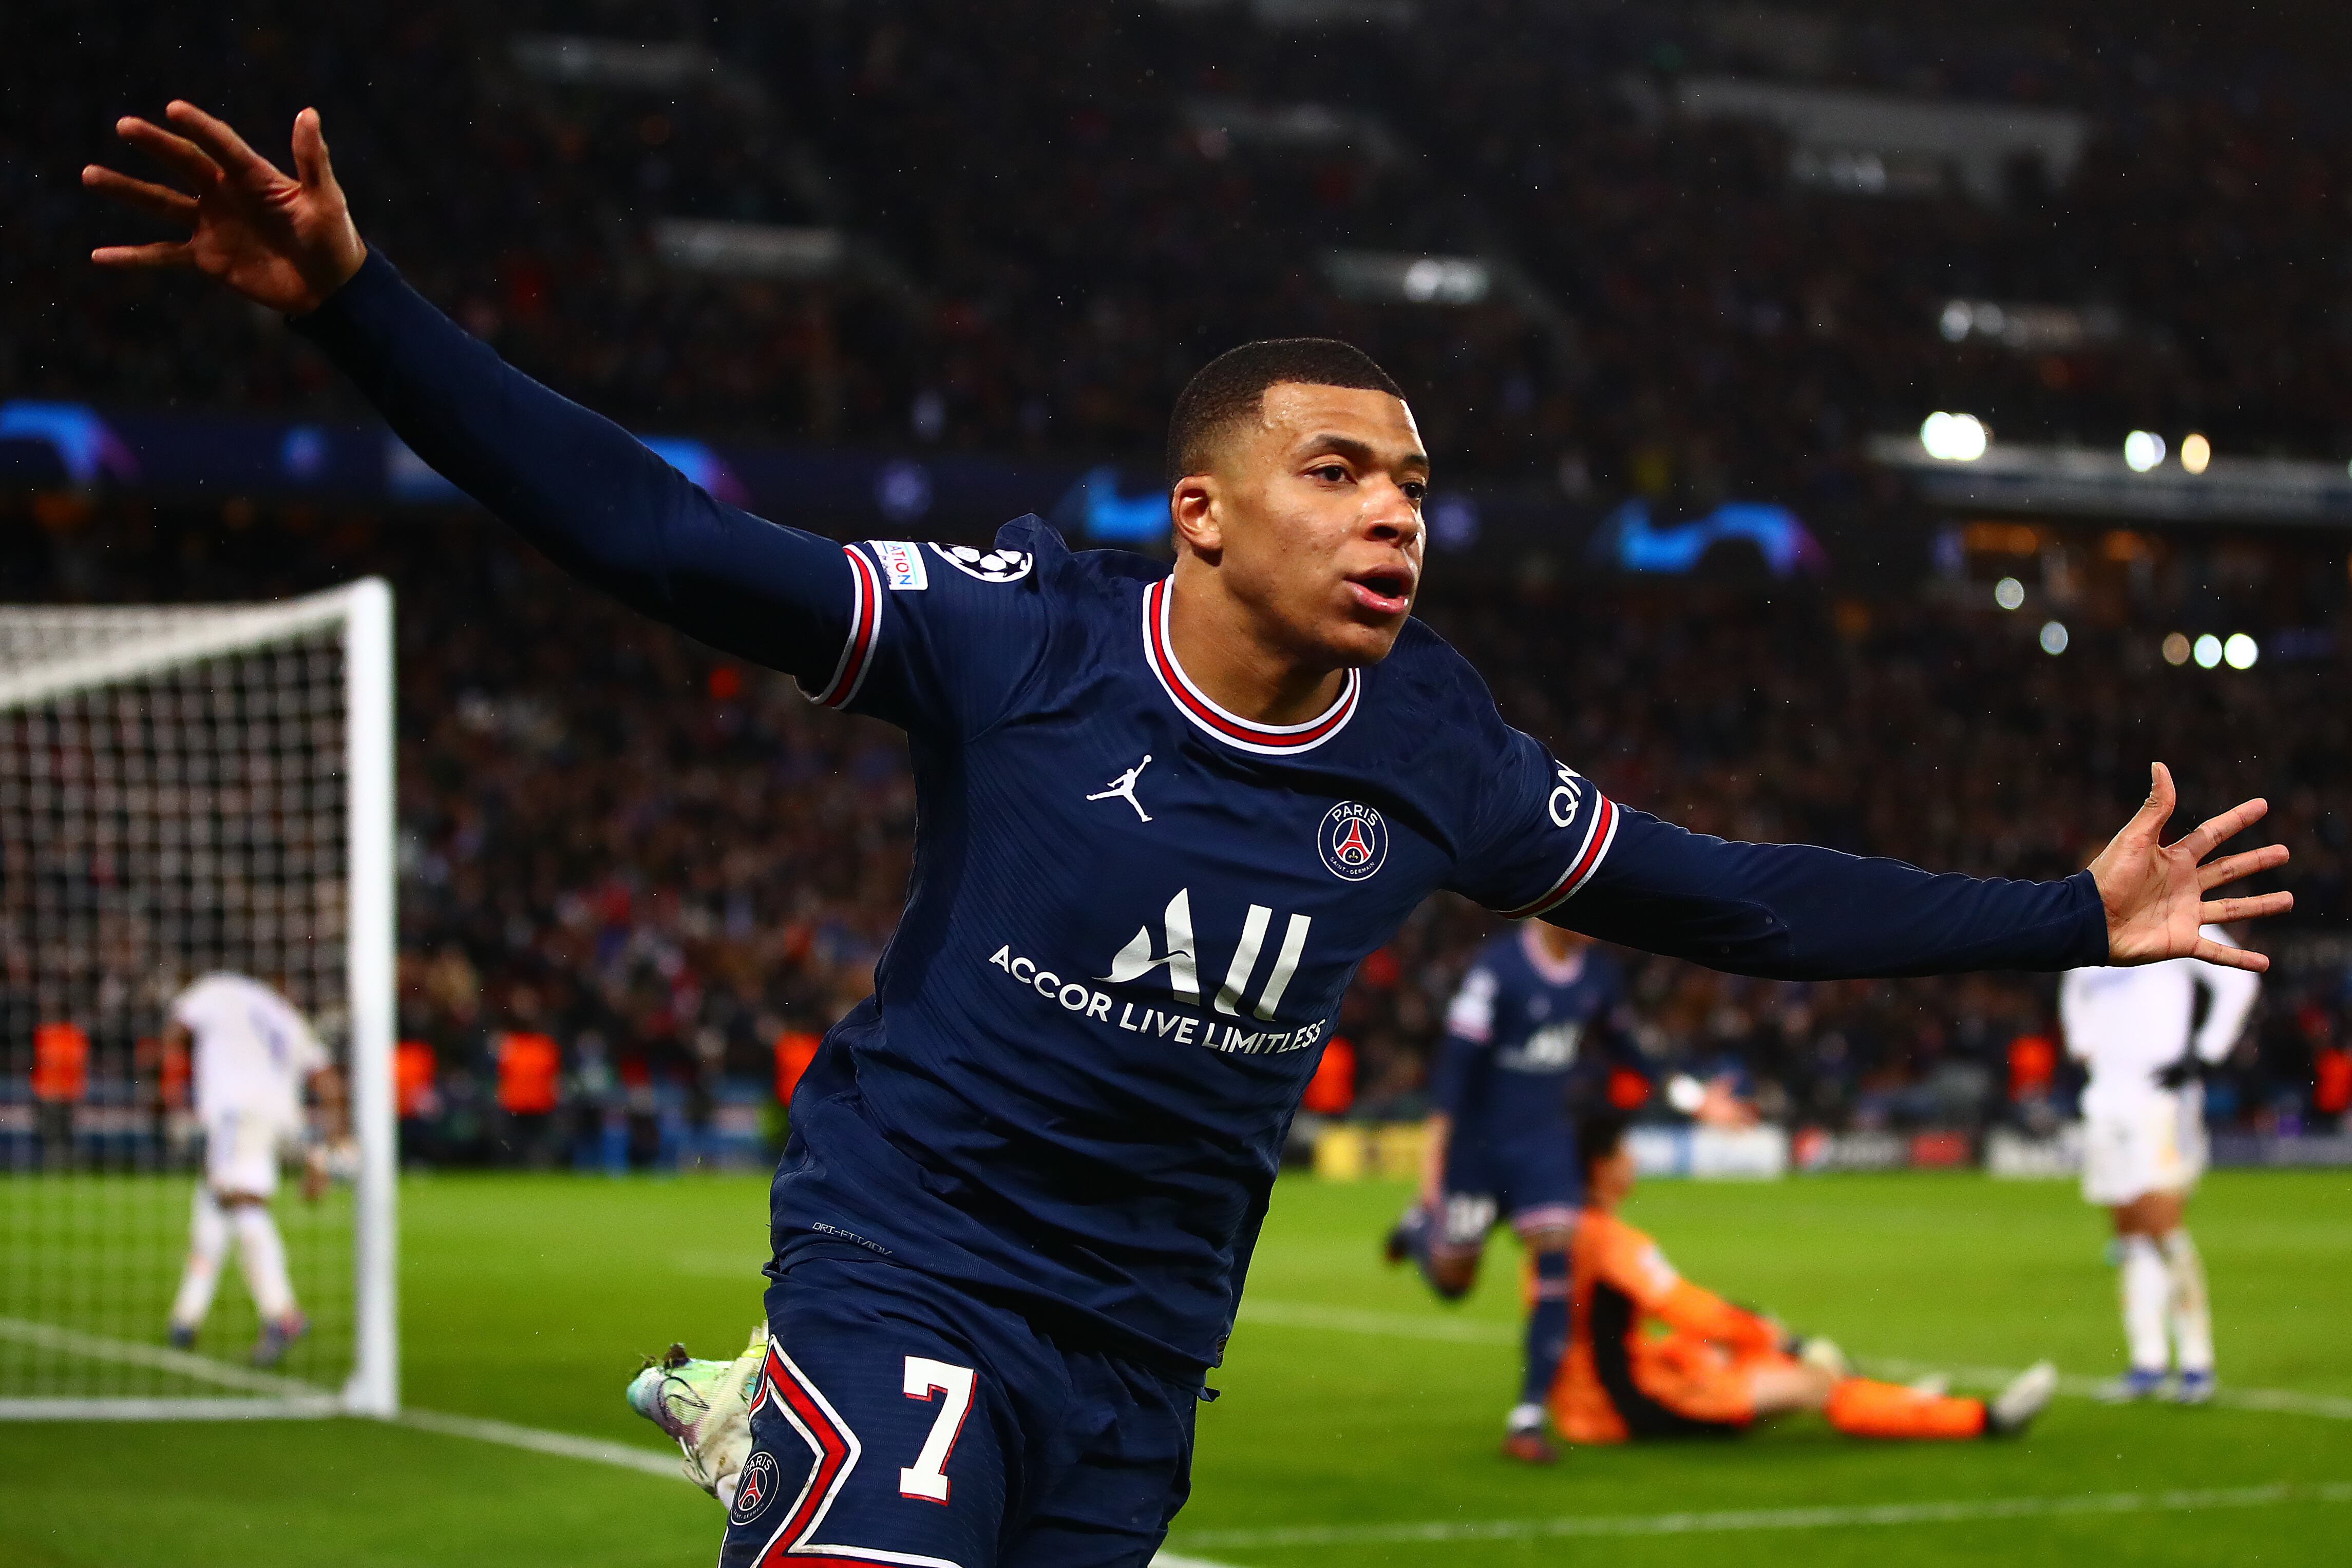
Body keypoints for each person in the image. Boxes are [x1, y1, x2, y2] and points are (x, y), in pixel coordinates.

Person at [87, 103, 2287, 1566]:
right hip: (914, 1244)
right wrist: (363, 307)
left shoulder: (1431, 745)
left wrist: (2069, 910)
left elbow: (1721, 888)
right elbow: (654, 530)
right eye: (1338, 468)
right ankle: (814, 1412)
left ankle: (776, 1427)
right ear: (1206, 507)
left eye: (1415, 479)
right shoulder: (1012, 636)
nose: (1394, 511)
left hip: (1142, 1336)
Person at [1552, 1113, 2057, 1444]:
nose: (1634, 1161)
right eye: (1625, 1152)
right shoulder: (1612, 1241)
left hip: (1592, 1395)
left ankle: (1903, 1404)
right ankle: (1981, 1420)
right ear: (1602, 1167)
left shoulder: (1563, 1228)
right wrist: (1780, 1335)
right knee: (1818, 1383)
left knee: (1748, 1359)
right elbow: (1687, 1308)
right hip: (1620, 1407)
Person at [1384, 923, 1632, 1462]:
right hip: (1477, 1150)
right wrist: (1435, 1154)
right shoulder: (1498, 969)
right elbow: (1455, 1062)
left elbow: (1627, 1050)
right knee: (1454, 1283)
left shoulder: (1597, 975)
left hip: (1543, 1147)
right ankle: (1420, 1230)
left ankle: (1527, 1420)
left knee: (1554, 1261)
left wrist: (1693, 1097)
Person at [2060, 924, 2261, 1403]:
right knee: (2129, 1232)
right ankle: (2147, 1361)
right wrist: (2082, 1042)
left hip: (2160, 1100)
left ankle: (2196, 1362)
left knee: (2162, 1224)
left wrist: (2206, 1053)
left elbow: (2240, 978)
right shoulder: (2088, 937)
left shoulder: (2175, 924)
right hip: (2106, 1100)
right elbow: (2076, 997)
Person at [162, 971, 343, 1366]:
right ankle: (185, 1318)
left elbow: (174, 1032)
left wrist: (169, 1089)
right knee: (215, 1203)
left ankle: (283, 1314)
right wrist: (321, 1156)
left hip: (235, 1114)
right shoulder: (288, 1017)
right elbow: (329, 1083)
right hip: (278, 1120)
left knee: (240, 1202)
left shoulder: (216, 988)